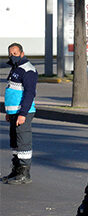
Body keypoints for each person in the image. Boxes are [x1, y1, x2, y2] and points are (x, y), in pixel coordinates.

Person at [3, 42, 37, 184]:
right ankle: (16, 171)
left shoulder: (28, 69)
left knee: (23, 142)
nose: (12, 56)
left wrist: (23, 113)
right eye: (10, 54)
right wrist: (8, 112)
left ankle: (24, 174)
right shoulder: (16, 69)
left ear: (22, 53)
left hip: (23, 112)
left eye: (15, 54)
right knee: (15, 143)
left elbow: (29, 94)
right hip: (14, 112)